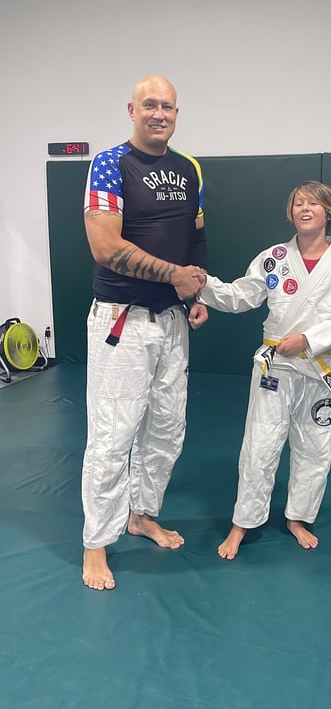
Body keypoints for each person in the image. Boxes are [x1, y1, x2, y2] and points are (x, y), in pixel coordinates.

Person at [81, 75, 208, 590]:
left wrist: (194, 293)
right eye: (150, 105)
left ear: (177, 114)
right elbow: (105, 246)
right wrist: (174, 275)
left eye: (168, 107)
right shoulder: (110, 164)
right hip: (122, 320)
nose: (160, 114)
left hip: (172, 321)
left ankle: (142, 514)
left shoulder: (189, 168)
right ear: (132, 110)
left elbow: (196, 234)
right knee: (113, 435)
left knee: (166, 430)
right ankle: (96, 543)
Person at [198, 181, 331, 559]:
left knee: (315, 446)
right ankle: (243, 522)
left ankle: (298, 517)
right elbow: (241, 295)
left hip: (319, 367)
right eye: (298, 203)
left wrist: (307, 339)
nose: (304, 208)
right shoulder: (273, 257)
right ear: (291, 213)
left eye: (313, 203)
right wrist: (204, 285)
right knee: (259, 444)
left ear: (329, 213)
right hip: (276, 366)